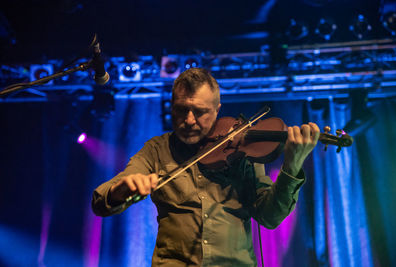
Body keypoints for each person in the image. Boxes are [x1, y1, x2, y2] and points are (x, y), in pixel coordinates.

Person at [92, 67, 320, 266]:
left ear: (217, 109)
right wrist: (121, 189)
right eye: (181, 109)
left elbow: (270, 217)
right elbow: (100, 202)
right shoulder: (156, 151)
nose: (189, 120)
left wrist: (292, 164)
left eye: (200, 112)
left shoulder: (243, 153)